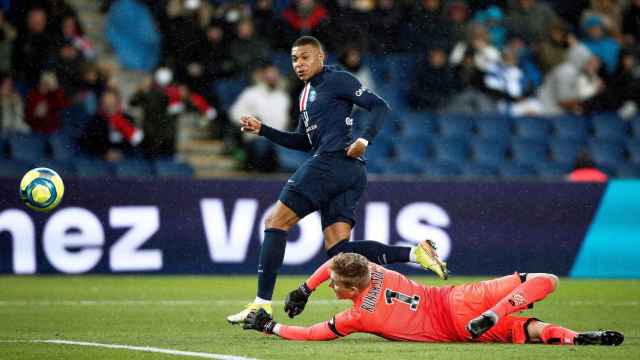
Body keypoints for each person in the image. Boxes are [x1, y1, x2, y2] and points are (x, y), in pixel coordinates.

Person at [226, 36, 448, 324]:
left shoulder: (339, 79)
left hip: (333, 163)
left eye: (305, 57)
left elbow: (380, 106)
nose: (299, 64)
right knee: (340, 251)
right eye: (294, 59)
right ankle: (415, 253)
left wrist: (364, 139)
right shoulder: (305, 94)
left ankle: (262, 304)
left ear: (321, 57)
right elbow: (304, 141)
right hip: (348, 171)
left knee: (275, 223)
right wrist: (264, 130)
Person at [243, 252, 624, 347]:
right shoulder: (379, 271)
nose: (331, 287)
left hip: (457, 331)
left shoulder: (358, 317)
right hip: (462, 299)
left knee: (528, 331)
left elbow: (311, 334)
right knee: (545, 279)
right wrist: (306, 288)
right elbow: (337, 263)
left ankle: (571, 337)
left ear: (353, 291)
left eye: (335, 286)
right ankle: (502, 313)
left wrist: (270, 325)